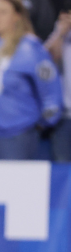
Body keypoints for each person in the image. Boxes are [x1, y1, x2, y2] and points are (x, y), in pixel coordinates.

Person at [0, 0, 63, 159]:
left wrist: (39, 125)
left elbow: (51, 90)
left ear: (17, 16)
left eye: (2, 12)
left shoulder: (30, 48)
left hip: (15, 138)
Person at [45, 10, 71, 161]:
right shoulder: (62, 32)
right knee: (62, 173)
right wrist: (60, 32)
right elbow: (42, 64)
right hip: (65, 117)